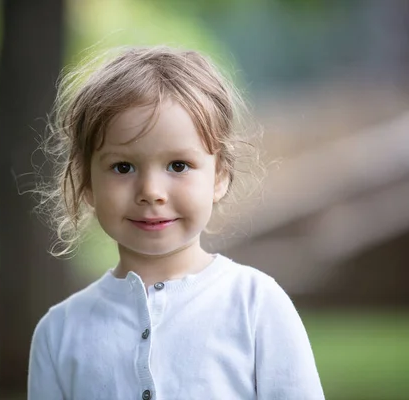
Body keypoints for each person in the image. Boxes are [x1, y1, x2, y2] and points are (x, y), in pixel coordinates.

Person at [28, 46, 324, 400]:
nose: (151, 192)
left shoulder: (257, 306)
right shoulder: (59, 334)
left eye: (178, 165)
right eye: (123, 167)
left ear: (220, 176)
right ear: (86, 183)